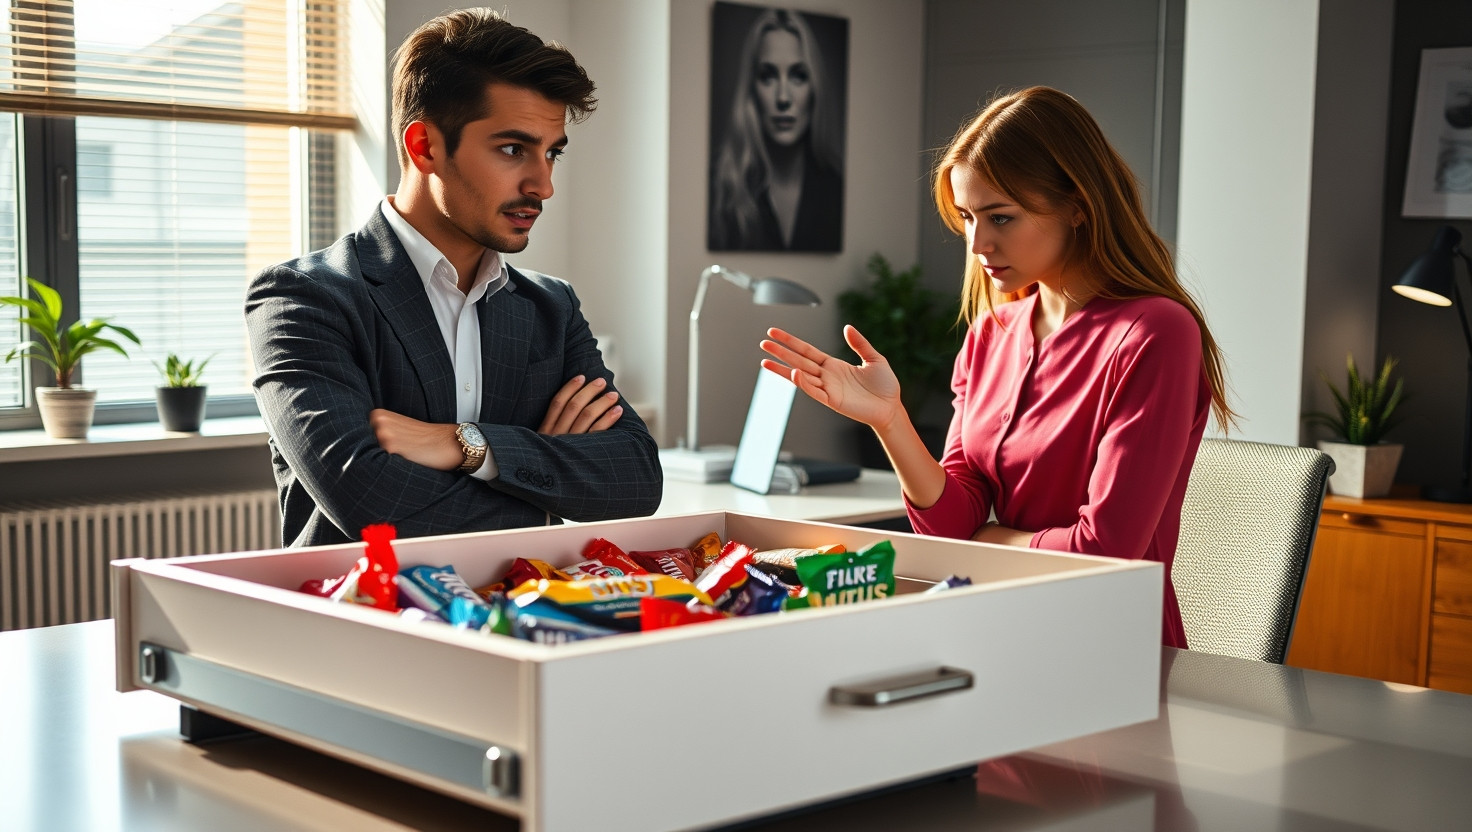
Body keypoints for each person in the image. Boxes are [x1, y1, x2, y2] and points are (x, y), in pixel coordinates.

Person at [760, 87, 1234, 648]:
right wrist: (890, 420)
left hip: (1107, 647)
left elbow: (1106, 553)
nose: (978, 243)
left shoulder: (1155, 333)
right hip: (994, 633)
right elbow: (954, 526)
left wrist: (995, 540)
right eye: (966, 218)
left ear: (1078, 205)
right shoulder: (993, 334)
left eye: (1000, 217)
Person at [245, 9, 661, 547]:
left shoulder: (550, 308)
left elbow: (636, 478)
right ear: (425, 147)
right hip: (365, 623)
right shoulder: (303, 299)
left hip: (526, 622)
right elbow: (373, 505)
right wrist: (543, 495)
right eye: (513, 149)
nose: (543, 185)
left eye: (551, 153)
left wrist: (467, 445)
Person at [708, 7, 843, 252]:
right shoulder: (720, 190)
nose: (783, 97)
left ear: (815, 88)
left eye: (798, 76)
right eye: (768, 76)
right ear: (751, 89)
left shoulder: (834, 189)